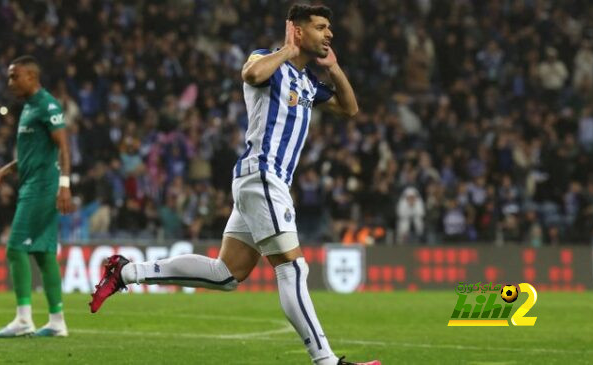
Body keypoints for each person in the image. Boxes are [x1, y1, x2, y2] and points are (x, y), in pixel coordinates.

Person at [90, 4, 379, 365]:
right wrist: (287, 49)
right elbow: (251, 74)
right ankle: (326, 361)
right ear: (298, 31)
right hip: (262, 176)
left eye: (329, 27)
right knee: (293, 268)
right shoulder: (269, 61)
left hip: (262, 182)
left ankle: (128, 272)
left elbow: (349, 108)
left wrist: (333, 68)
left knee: (227, 273)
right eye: (321, 27)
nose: (329, 33)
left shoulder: (307, 83)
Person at [0, 55, 74, 338]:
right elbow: (32, 153)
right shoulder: (28, 108)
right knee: (43, 252)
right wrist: (9, 168)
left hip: (42, 187)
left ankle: (24, 319)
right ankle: (57, 321)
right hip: (31, 184)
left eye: (15, 76)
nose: (10, 82)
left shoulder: (47, 105)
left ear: (31, 76)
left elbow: (63, 147)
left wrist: (64, 185)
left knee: (15, 248)